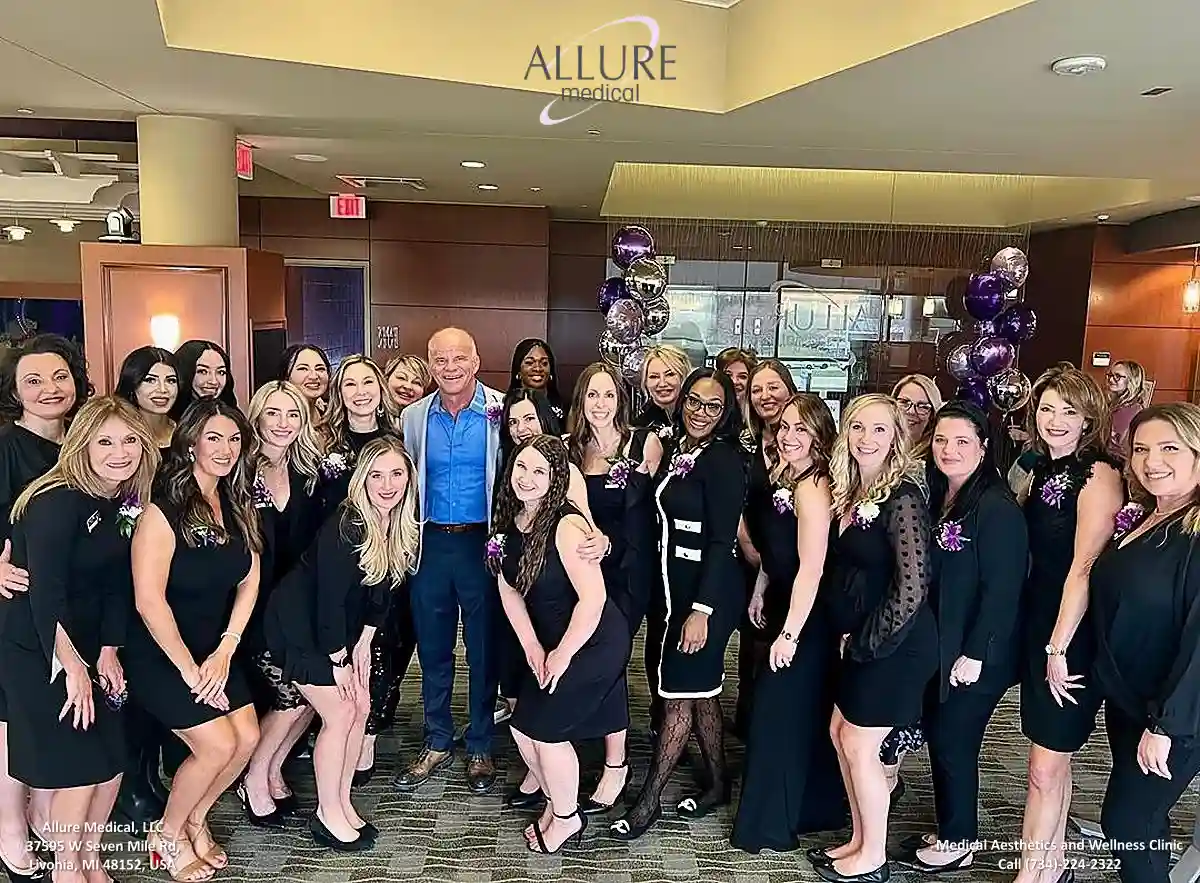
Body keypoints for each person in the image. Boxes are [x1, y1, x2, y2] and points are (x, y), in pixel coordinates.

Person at [1, 396, 158, 883]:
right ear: (81, 445)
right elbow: (46, 596)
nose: (120, 451)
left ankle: (88, 857)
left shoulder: (126, 500)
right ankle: (66, 867)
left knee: (111, 762)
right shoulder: (54, 501)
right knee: (78, 764)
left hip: (91, 643)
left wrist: (108, 651)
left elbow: (117, 581)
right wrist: (72, 668)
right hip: (37, 647)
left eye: (130, 439)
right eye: (104, 441)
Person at [124, 399, 262, 882]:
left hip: (213, 649)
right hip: (161, 652)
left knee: (248, 738)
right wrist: (189, 668)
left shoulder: (235, 502)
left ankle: (194, 819)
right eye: (213, 438)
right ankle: (165, 835)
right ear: (190, 443)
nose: (225, 449)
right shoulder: (161, 511)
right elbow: (148, 602)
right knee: (216, 746)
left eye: (234, 439)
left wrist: (226, 648)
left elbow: (250, 578)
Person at [610, 368, 746, 841]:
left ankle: (649, 801)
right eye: (694, 400)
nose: (701, 411)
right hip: (674, 588)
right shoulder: (680, 450)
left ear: (726, 410)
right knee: (701, 691)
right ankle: (718, 784)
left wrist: (702, 610)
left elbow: (721, 541)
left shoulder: (725, 459)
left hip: (703, 597)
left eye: (713, 405)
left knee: (678, 698)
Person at [266, 436, 420, 850]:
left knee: (362, 707)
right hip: (302, 627)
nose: (387, 484)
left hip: (344, 630)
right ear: (361, 479)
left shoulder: (396, 520)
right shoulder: (348, 523)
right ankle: (326, 812)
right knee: (341, 711)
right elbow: (329, 600)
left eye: (397, 473)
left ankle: (342, 800)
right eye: (376, 475)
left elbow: (382, 591)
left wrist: (365, 644)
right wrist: (339, 660)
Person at [810, 394, 938, 883]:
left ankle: (874, 857)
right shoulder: (853, 488)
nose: (867, 438)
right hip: (861, 639)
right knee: (840, 735)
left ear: (898, 438)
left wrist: (865, 643)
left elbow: (913, 586)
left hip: (895, 643)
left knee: (861, 746)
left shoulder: (902, 496)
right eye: (858, 427)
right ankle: (861, 838)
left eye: (880, 430)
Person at [897, 401, 1027, 873]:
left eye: (962, 441)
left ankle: (959, 841)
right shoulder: (939, 493)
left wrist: (973, 653)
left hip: (979, 653)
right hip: (943, 645)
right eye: (941, 440)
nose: (949, 450)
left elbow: (1004, 591)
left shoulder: (996, 507)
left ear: (984, 447)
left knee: (954, 741)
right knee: (944, 738)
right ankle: (952, 826)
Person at [489, 434, 630, 853]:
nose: (527, 478)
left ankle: (566, 820)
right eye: (521, 468)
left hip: (593, 641)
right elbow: (509, 590)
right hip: (550, 640)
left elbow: (595, 599)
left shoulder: (567, 525)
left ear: (556, 479)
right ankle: (557, 801)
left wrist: (562, 654)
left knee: (546, 732)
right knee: (522, 728)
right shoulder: (509, 522)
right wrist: (532, 647)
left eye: (539, 471)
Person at [1013, 367, 1122, 883]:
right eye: (1047, 408)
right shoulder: (1038, 468)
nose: (1055, 420)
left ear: (1089, 419)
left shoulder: (1098, 475)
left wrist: (1057, 648)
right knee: (1053, 761)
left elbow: (1084, 568)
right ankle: (1051, 866)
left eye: (1069, 411)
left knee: (1043, 767)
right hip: (1041, 623)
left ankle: (1029, 876)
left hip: (1070, 636)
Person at [731, 393, 847, 853]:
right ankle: (807, 811)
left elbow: (813, 567)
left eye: (802, 428)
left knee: (778, 719)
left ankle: (773, 824)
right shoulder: (788, 475)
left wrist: (790, 633)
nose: (789, 436)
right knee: (792, 718)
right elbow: (778, 549)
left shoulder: (814, 486)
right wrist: (761, 587)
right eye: (784, 427)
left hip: (807, 619)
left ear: (820, 435)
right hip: (782, 602)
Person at [393, 328, 506, 794]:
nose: (451, 366)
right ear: (430, 364)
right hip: (431, 543)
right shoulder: (413, 416)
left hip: (483, 544)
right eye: (441, 359)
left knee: (483, 650)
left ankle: (480, 741)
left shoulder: (500, 411)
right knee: (433, 648)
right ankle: (437, 738)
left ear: (477, 361)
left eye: (461, 357)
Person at [1092, 403, 1200, 883]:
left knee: (1127, 822)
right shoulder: (1152, 516)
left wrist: (1167, 724)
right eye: (1141, 449)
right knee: (1144, 821)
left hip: (1175, 714)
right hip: (1133, 701)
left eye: (1169, 448)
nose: (1152, 460)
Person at [0, 333, 89, 881]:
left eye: (59, 376)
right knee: (17, 723)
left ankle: (37, 817)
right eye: (33, 380)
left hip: (72, 604)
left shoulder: (83, 444)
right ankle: (10, 832)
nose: (49, 389)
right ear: (14, 392)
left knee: (46, 725)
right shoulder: (7, 447)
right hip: (19, 603)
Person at [562, 363, 662, 815]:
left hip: (628, 569)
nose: (600, 405)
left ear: (621, 400)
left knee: (612, 660)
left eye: (608, 395)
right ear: (581, 401)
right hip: (583, 571)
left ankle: (616, 765)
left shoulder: (645, 444)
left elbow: (649, 514)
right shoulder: (568, 450)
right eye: (592, 396)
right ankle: (576, 738)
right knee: (585, 655)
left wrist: (610, 543)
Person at [238, 381, 325, 828]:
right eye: (273, 414)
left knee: (310, 696)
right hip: (253, 604)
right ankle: (254, 776)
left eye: (293, 414)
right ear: (257, 418)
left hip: (299, 604)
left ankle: (271, 769)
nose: (283, 424)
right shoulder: (239, 471)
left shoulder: (309, 470)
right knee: (291, 695)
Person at [315, 355, 400, 519]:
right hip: (334, 538)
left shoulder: (399, 439)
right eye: (350, 384)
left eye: (368, 382)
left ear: (381, 388)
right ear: (339, 393)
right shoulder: (321, 440)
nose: (361, 392)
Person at [115, 346, 179, 452]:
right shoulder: (119, 432)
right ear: (132, 384)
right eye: (150, 380)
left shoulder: (187, 432)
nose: (163, 389)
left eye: (170, 381)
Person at [170, 341, 237, 420]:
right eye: (203, 371)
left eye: (221, 372)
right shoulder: (167, 422)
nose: (214, 381)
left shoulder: (234, 419)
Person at [633, 345, 691, 436]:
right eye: (654, 377)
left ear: (683, 377)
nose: (662, 384)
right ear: (645, 383)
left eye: (670, 374)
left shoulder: (698, 420)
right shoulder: (639, 428)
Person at [507, 338, 566, 416]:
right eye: (529, 363)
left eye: (544, 363)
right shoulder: (505, 407)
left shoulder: (565, 409)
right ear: (518, 370)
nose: (538, 368)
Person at [1106, 360, 1149, 460]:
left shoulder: (1133, 410)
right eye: (1110, 375)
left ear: (1132, 380)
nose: (1111, 380)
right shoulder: (1114, 404)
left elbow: (1120, 446)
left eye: (1117, 376)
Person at [278, 345, 332, 416]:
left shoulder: (328, 414)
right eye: (303, 369)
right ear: (286, 376)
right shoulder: (281, 422)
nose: (314, 376)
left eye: (320, 368)